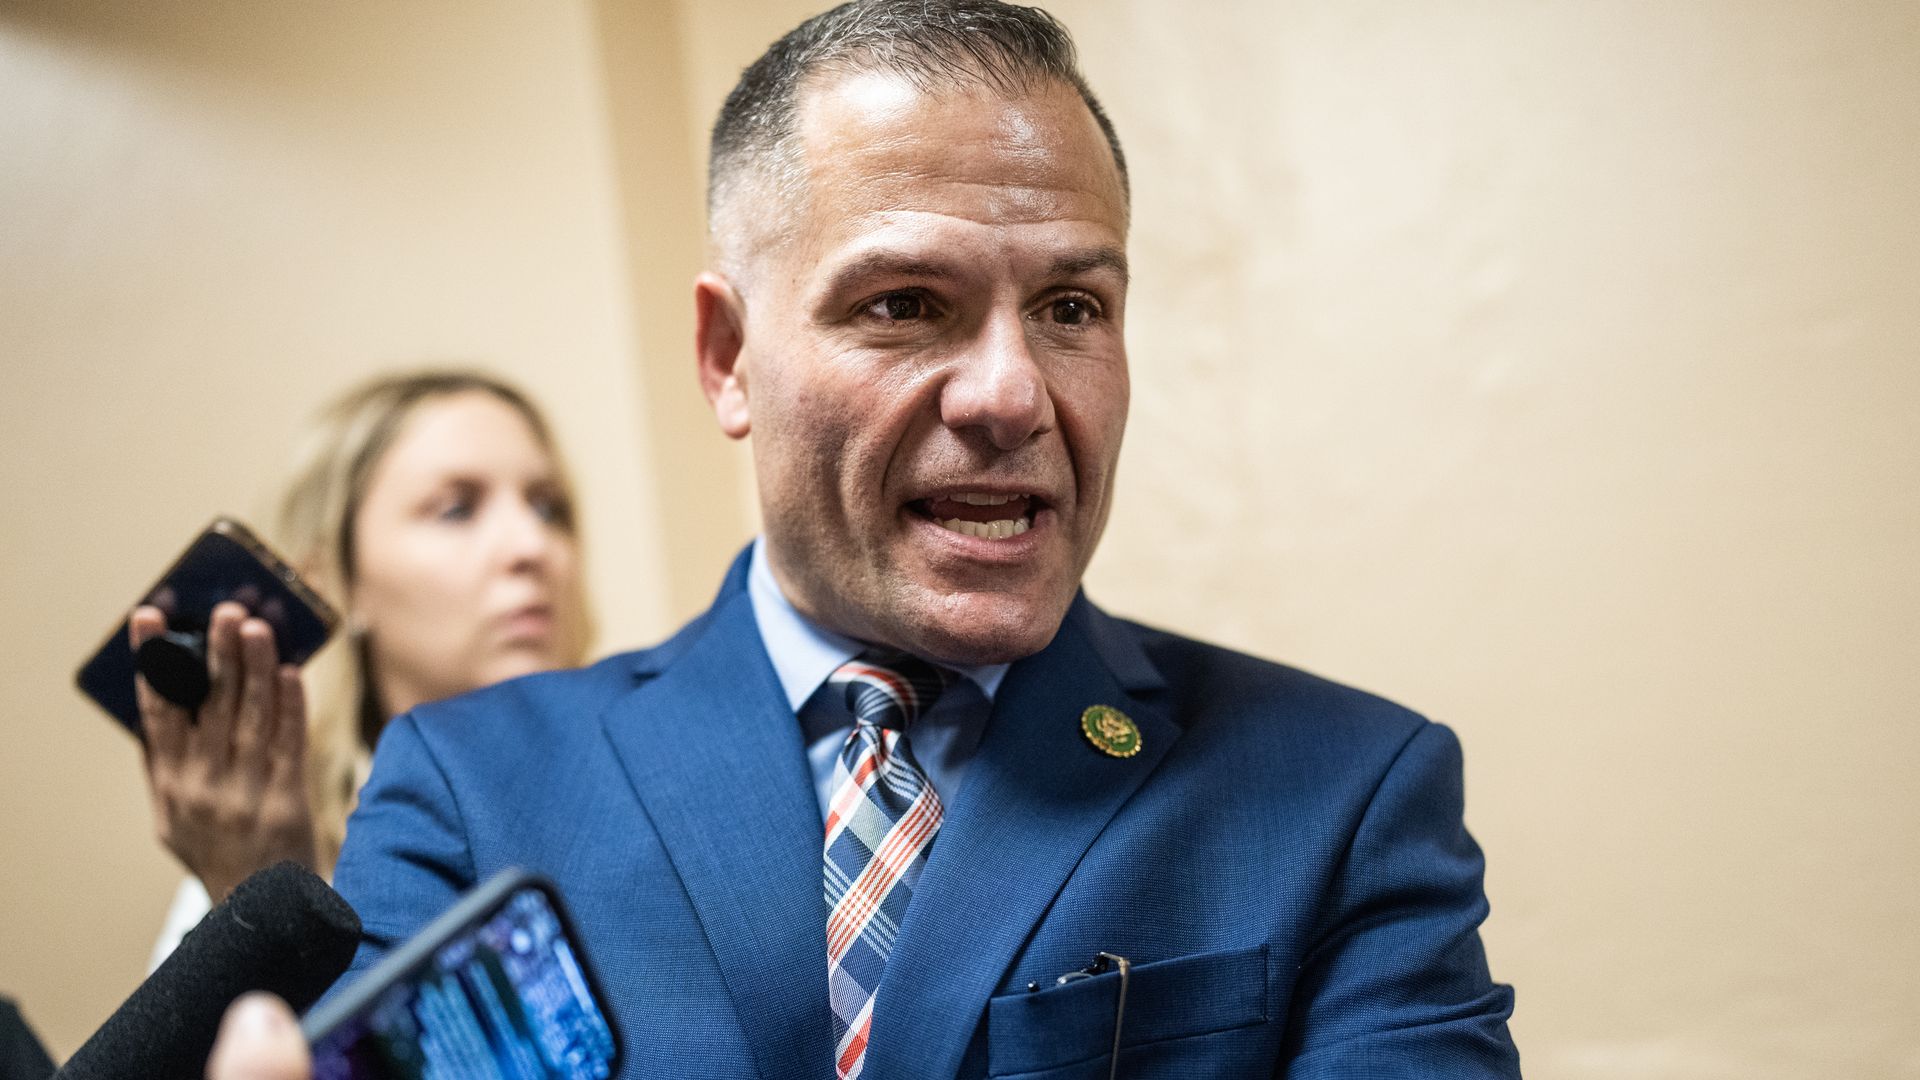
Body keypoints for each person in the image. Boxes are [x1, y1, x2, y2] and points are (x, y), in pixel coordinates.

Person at [323, 3, 1521, 1077]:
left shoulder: (1344, 793)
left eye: (1070, 309)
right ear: (728, 357)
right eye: (904, 304)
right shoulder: (470, 791)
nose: (1010, 394)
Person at [132, 371, 592, 965]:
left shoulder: (646, 778)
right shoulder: (264, 868)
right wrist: (259, 898)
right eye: (456, 510)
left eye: (548, 508)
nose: (532, 545)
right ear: (336, 584)